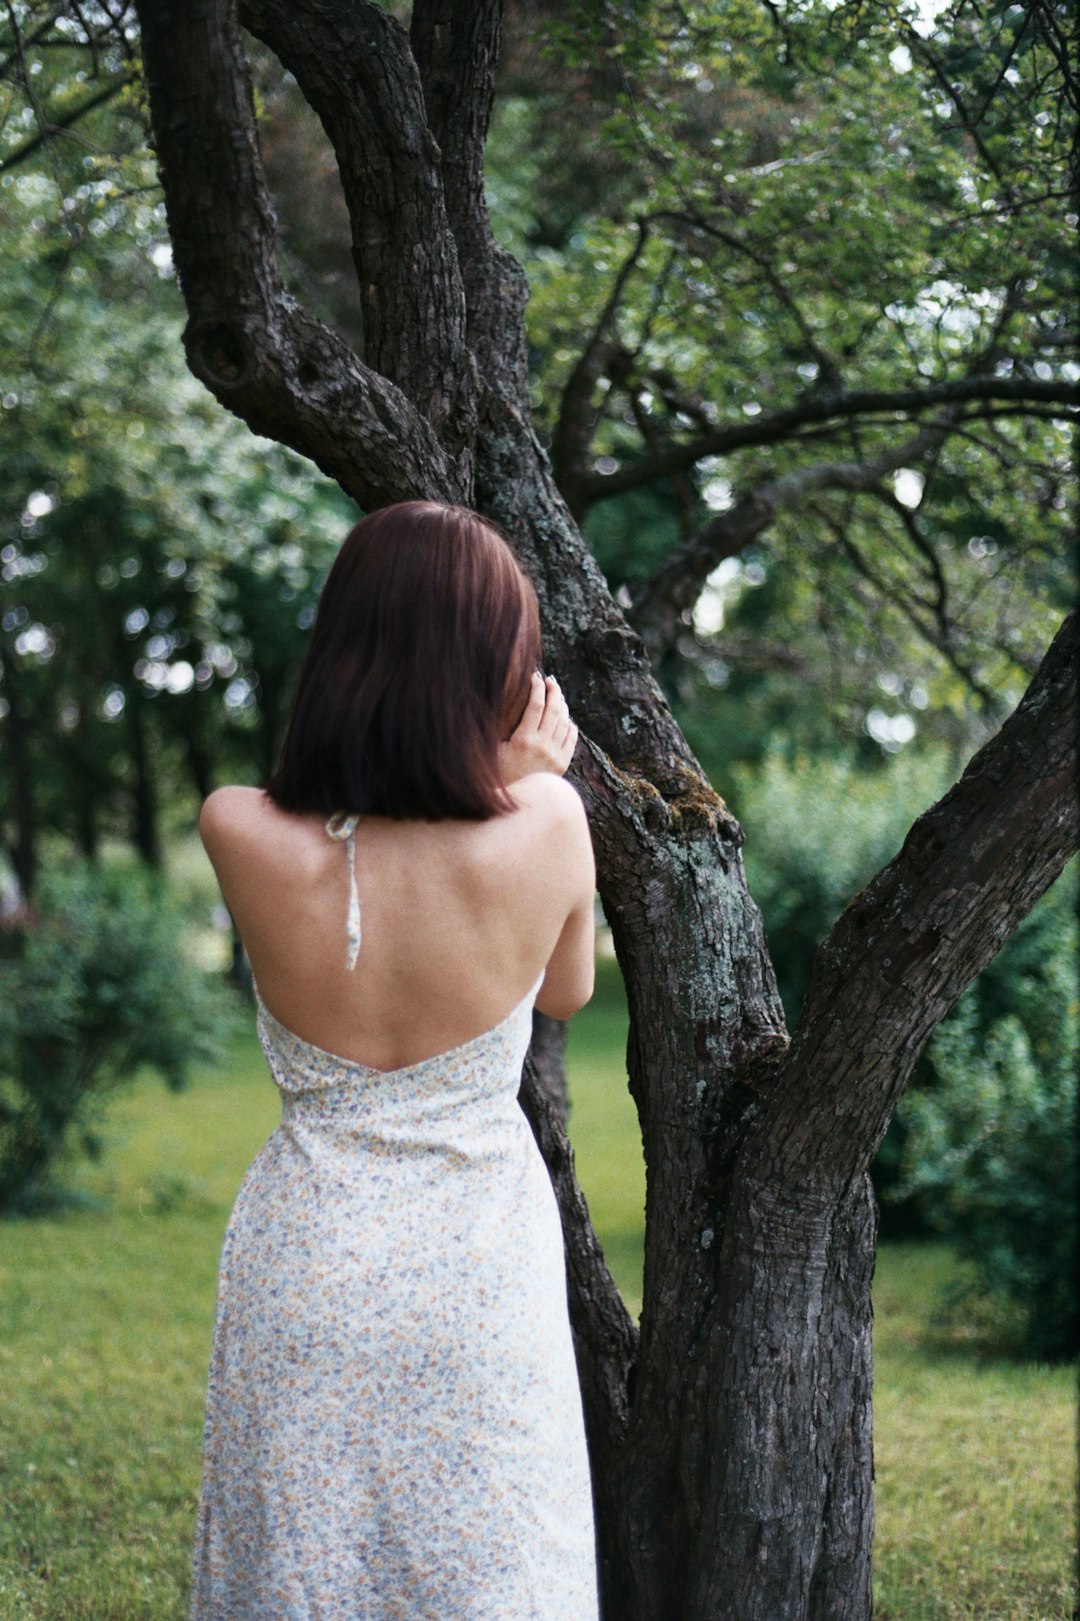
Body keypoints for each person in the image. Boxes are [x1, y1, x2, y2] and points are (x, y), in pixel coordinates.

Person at [191, 500, 599, 1619]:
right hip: (476, 1268)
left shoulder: (235, 826)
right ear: (490, 668)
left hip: (304, 1257)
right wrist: (526, 784)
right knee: (493, 1567)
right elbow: (565, 991)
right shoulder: (551, 823)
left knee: (302, 1568)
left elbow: (337, 818)